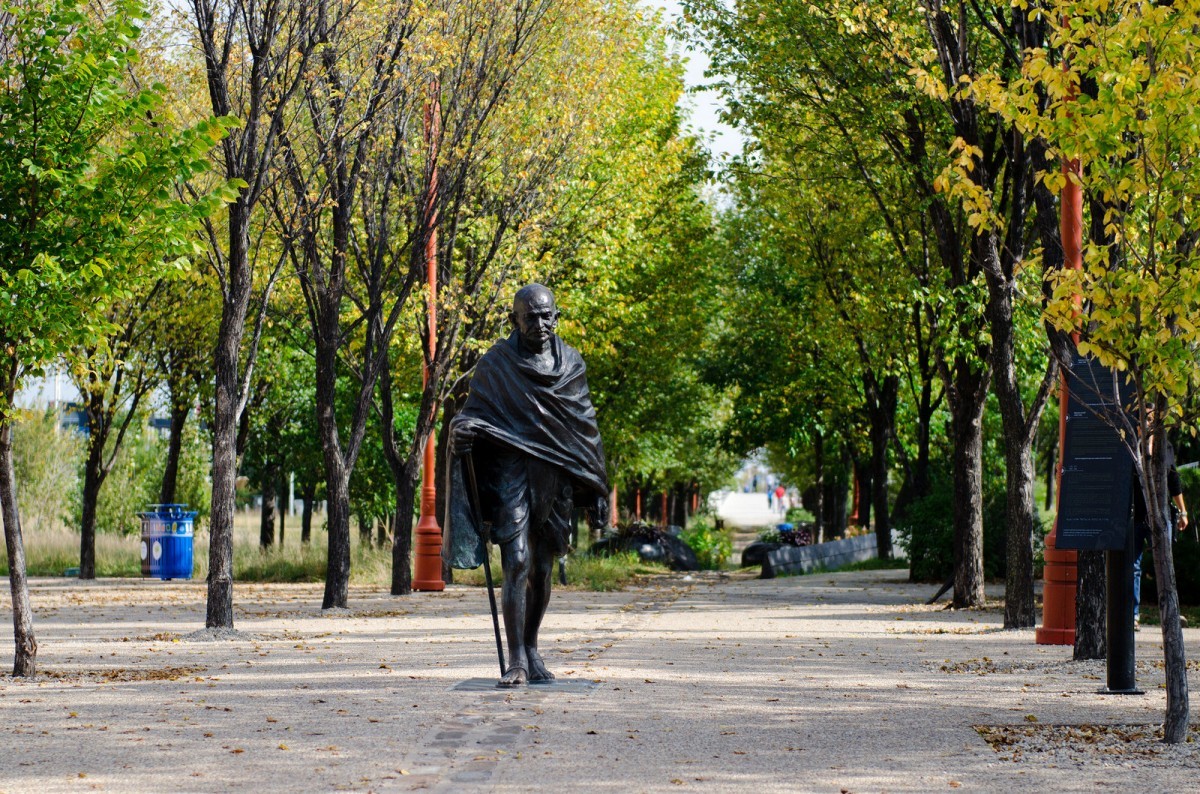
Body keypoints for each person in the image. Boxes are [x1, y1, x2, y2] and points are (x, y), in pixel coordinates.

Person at [446, 284, 609, 686]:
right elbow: (472, 416)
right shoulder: (495, 365)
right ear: (514, 320)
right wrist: (458, 431)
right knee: (516, 560)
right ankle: (515, 659)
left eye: (546, 315)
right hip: (509, 467)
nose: (539, 323)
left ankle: (532, 647)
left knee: (542, 564)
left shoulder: (571, 364)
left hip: (554, 472)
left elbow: (585, 429)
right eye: (530, 316)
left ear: (556, 316)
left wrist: (599, 486)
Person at [1132, 427, 1189, 628]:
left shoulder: (1165, 447)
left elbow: (1174, 480)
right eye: (1143, 419)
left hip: (1160, 516)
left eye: (1150, 419)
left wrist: (1182, 512)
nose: (1147, 424)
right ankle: (1134, 615)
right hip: (1136, 516)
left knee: (1165, 564)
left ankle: (1172, 614)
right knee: (1134, 566)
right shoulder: (1131, 446)